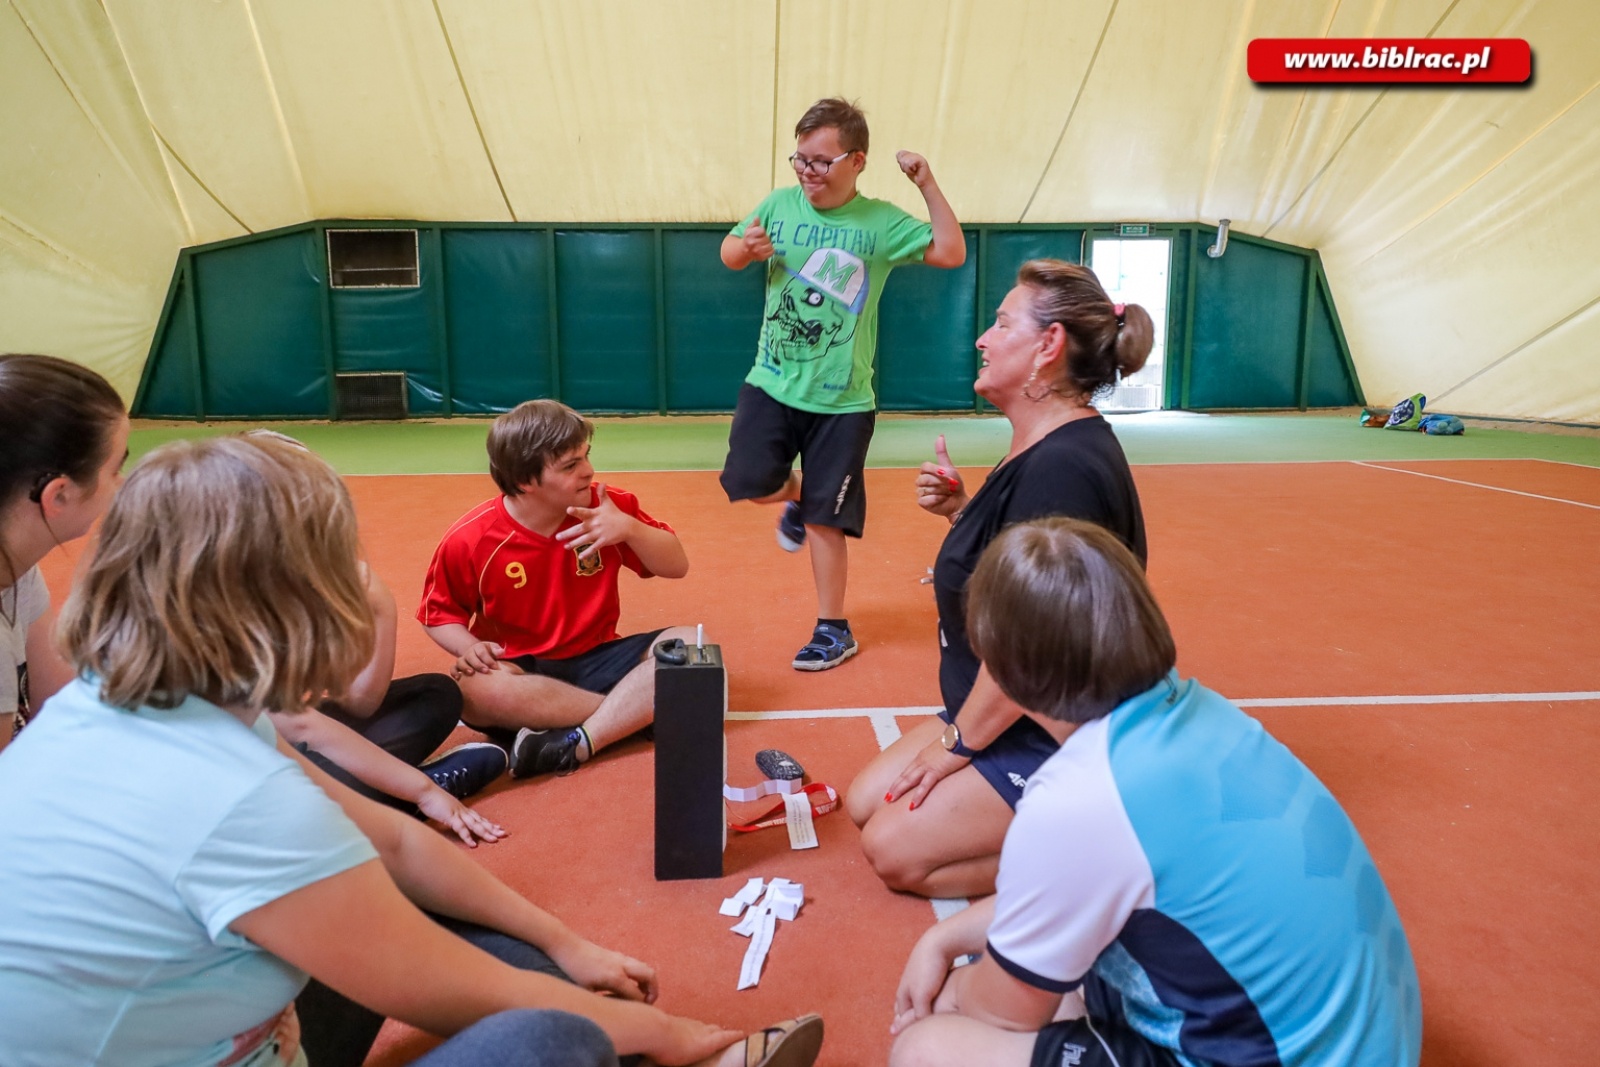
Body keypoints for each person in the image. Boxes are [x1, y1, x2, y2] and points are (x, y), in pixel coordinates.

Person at [0, 433, 825, 1067]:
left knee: (506, 948)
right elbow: (444, 982)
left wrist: (566, 942)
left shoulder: (145, 703)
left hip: (194, 1019)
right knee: (550, 1036)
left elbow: (393, 839)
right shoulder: (233, 799)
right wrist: (669, 1031)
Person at [887, 518, 1422, 1067]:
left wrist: (949, 990)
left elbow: (1002, 1015)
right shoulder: (1203, 712)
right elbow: (1084, 887)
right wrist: (944, 938)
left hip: (1270, 1054)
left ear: (1005, 672)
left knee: (928, 1046)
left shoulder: (1078, 797)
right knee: (986, 991)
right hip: (1364, 1043)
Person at [846, 260, 1152, 898]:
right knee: (864, 802)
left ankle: (1112, 848)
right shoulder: (1040, 449)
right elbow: (1023, 564)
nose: (982, 338)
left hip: (1053, 728)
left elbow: (1039, 645)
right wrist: (964, 513)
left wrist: (957, 745)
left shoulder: (1063, 468)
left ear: (1048, 345)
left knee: (894, 852)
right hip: (1003, 705)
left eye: (1001, 322)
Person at [718, 97, 965, 671]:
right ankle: (800, 497)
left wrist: (927, 183)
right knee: (753, 483)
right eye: (799, 159)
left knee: (828, 520)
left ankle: (833, 627)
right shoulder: (779, 206)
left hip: (844, 402)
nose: (807, 172)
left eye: (821, 162)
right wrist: (743, 250)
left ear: (856, 161)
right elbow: (731, 252)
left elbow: (950, 251)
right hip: (772, 384)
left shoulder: (879, 224)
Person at [241, 431, 507, 848]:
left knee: (435, 695)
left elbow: (359, 700)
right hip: (237, 762)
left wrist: (379, 607)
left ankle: (360, 799)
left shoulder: (305, 570)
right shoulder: (230, 585)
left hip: (280, 734)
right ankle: (381, 802)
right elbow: (299, 723)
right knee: (298, 780)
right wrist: (421, 790)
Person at [420, 399, 695, 779]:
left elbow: (676, 566)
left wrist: (629, 529)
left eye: (586, 456)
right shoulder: (472, 539)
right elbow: (439, 615)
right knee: (468, 688)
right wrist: (472, 649)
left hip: (600, 656)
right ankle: (629, 715)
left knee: (695, 647)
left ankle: (578, 740)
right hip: (522, 673)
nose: (589, 471)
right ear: (524, 481)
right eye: (570, 466)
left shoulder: (608, 508)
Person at [0, 352, 127, 759]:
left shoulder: (16, 569)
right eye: (114, 470)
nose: (121, 485)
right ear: (59, 494)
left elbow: (59, 706)